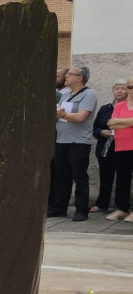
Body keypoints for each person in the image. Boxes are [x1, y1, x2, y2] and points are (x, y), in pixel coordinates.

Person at [49, 66, 99, 221]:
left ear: (80, 78)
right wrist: (58, 114)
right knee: (61, 176)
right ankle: (59, 208)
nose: (66, 77)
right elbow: (57, 114)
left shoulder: (89, 94)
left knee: (79, 176)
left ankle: (81, 210)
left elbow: (81, 117)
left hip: (78, 142)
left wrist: (63, 114)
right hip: (61, 140)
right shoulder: (66, 95)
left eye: (70, 74)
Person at [92, 82, 127, 216]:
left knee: (123, 177)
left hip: (124, 147)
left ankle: (121, 206)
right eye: (116, 89)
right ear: (112, 91)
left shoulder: (129, 108)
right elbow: (95, 128)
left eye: (123, 89)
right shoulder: (105, 108)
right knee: (105, 176)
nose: (119, 91)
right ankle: (102, 204)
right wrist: (101, 132)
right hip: (106, 148)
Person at [102, 78, 133, 222]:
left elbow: (117, 122)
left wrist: (121, 122)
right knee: (122, 179)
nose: (132, 89)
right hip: (122, 146)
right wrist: (129, 123)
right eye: (130, 86)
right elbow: (112, 124)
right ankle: (122, 208)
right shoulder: (120, 105)